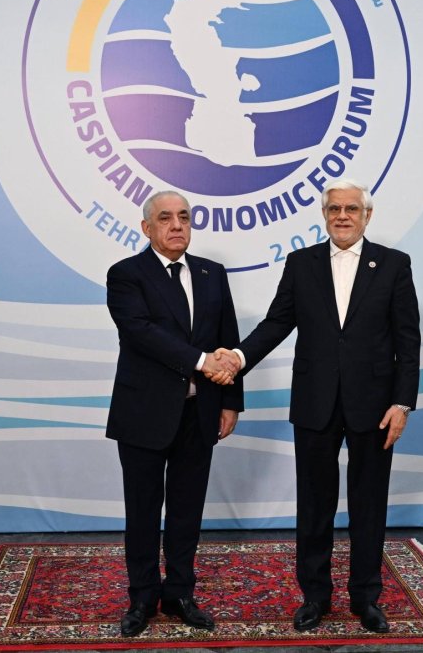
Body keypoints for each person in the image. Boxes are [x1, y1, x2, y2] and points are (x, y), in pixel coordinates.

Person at [212, 178, 420, 634]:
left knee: (369, 504)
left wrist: (402, 403)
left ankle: (366, 597)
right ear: (324, 215)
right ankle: (315, 597)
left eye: (351, 209)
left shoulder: (394, 264)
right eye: (334, 209)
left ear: (367, 216)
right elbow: (276, 323)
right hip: (314, 402)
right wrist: (239, 358)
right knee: (314, 505)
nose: (342, 216)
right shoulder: (301, 263)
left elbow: (408, 340)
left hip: (375, 407)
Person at [106, 190, 243, 637]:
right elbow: (141, 332)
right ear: (147, 228)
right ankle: (142, 597)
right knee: (142, 511)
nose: (177, 225)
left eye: (184, 216)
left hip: (199, 412)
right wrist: (203, 362)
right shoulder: (126, 274)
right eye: (165, 218)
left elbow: (227, 336)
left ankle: (180, 593)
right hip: (143, 412)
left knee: (187, 510)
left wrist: (230, 401)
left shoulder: (211, 273)